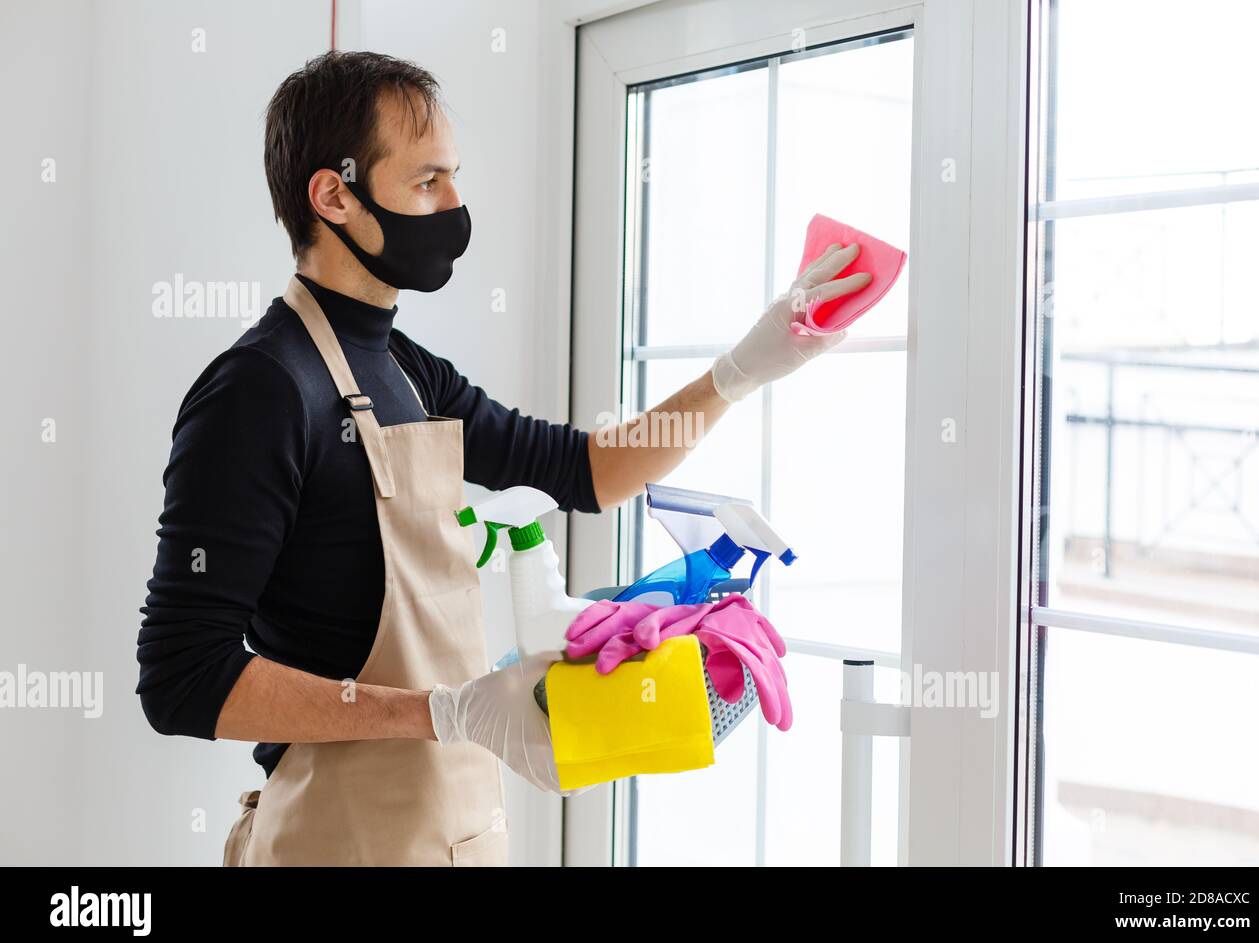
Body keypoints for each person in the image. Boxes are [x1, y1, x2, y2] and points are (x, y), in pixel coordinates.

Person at [136, 50, 869, 866]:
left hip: (449, 823)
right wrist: (443, 714)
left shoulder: (408, 367)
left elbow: (590, 472)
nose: (455, 206)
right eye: (427, 182)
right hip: (334, 838)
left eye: (455, 178)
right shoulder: (262, 389)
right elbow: (182, 678)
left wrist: (740, 371)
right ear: (333, 194)